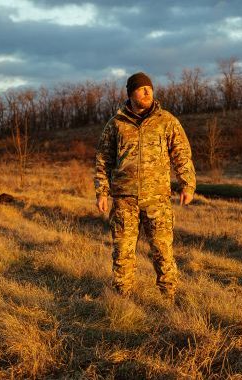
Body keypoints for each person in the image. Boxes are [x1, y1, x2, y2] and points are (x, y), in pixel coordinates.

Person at [94, 72, 196, 301]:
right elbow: (103, 159)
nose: (148, 92)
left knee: (163, 252)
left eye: (150, 88)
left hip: (157, 199)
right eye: (142, 89)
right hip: (124, 200)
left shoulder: (167, 121)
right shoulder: (116, 124)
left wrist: (187, 185)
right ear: (131, 94)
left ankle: (168, 299)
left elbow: (182, 154)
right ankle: (123, 300)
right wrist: (102, 191)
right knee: (123, 253)